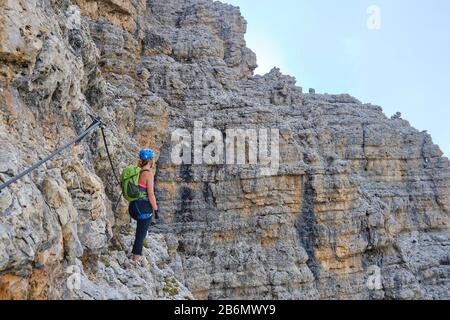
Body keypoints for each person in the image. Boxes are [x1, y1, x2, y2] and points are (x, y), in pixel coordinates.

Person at [129, 149, 160, 263]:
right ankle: (136, 258)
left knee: (140, 231)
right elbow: (151, 194)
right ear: (150, 160)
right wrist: (156, 210)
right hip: (143, 208)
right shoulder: (148, 173)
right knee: (141, 234)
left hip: (132, 206)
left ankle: (136, 254)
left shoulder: (137, 171)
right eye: (153, 159)